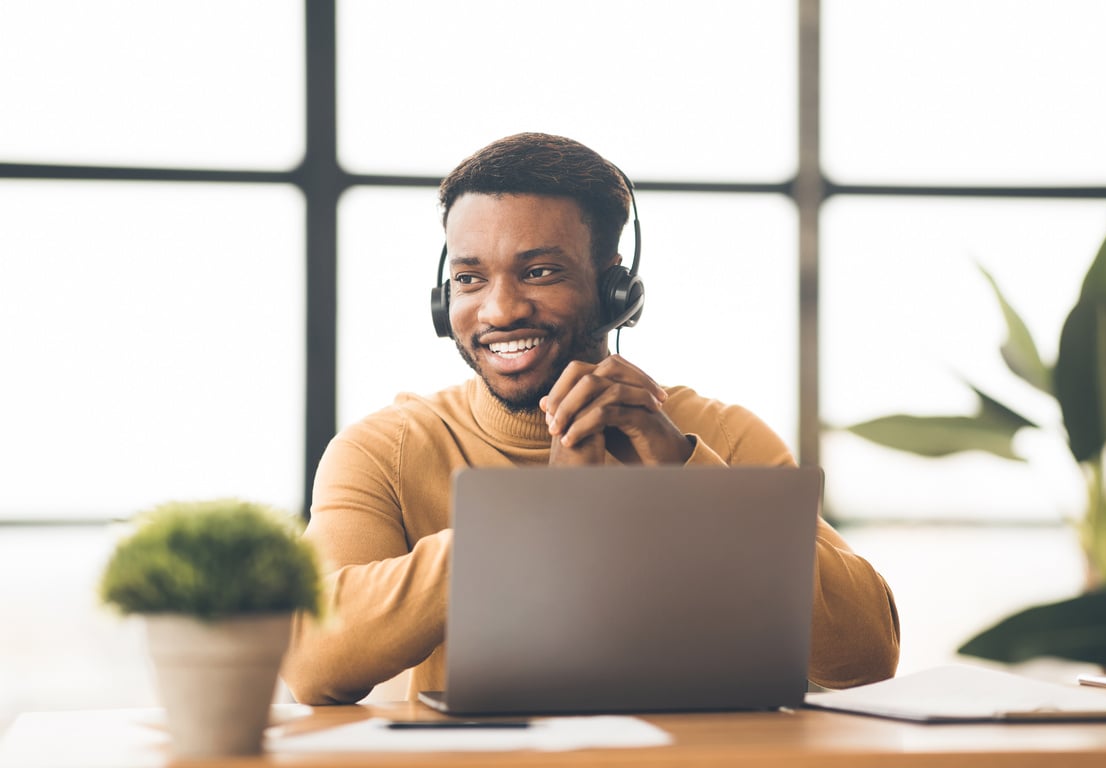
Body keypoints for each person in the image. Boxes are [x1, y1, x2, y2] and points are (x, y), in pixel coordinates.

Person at [281, 132, 900, 705]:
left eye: (539, 272)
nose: (498, 309)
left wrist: (683, 473)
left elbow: (866, 655)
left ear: (616, 294)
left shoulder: (722, 436)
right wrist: (544, 514)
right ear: (445, 303)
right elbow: (313, 663)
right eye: (469, 278)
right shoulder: (384, 450)